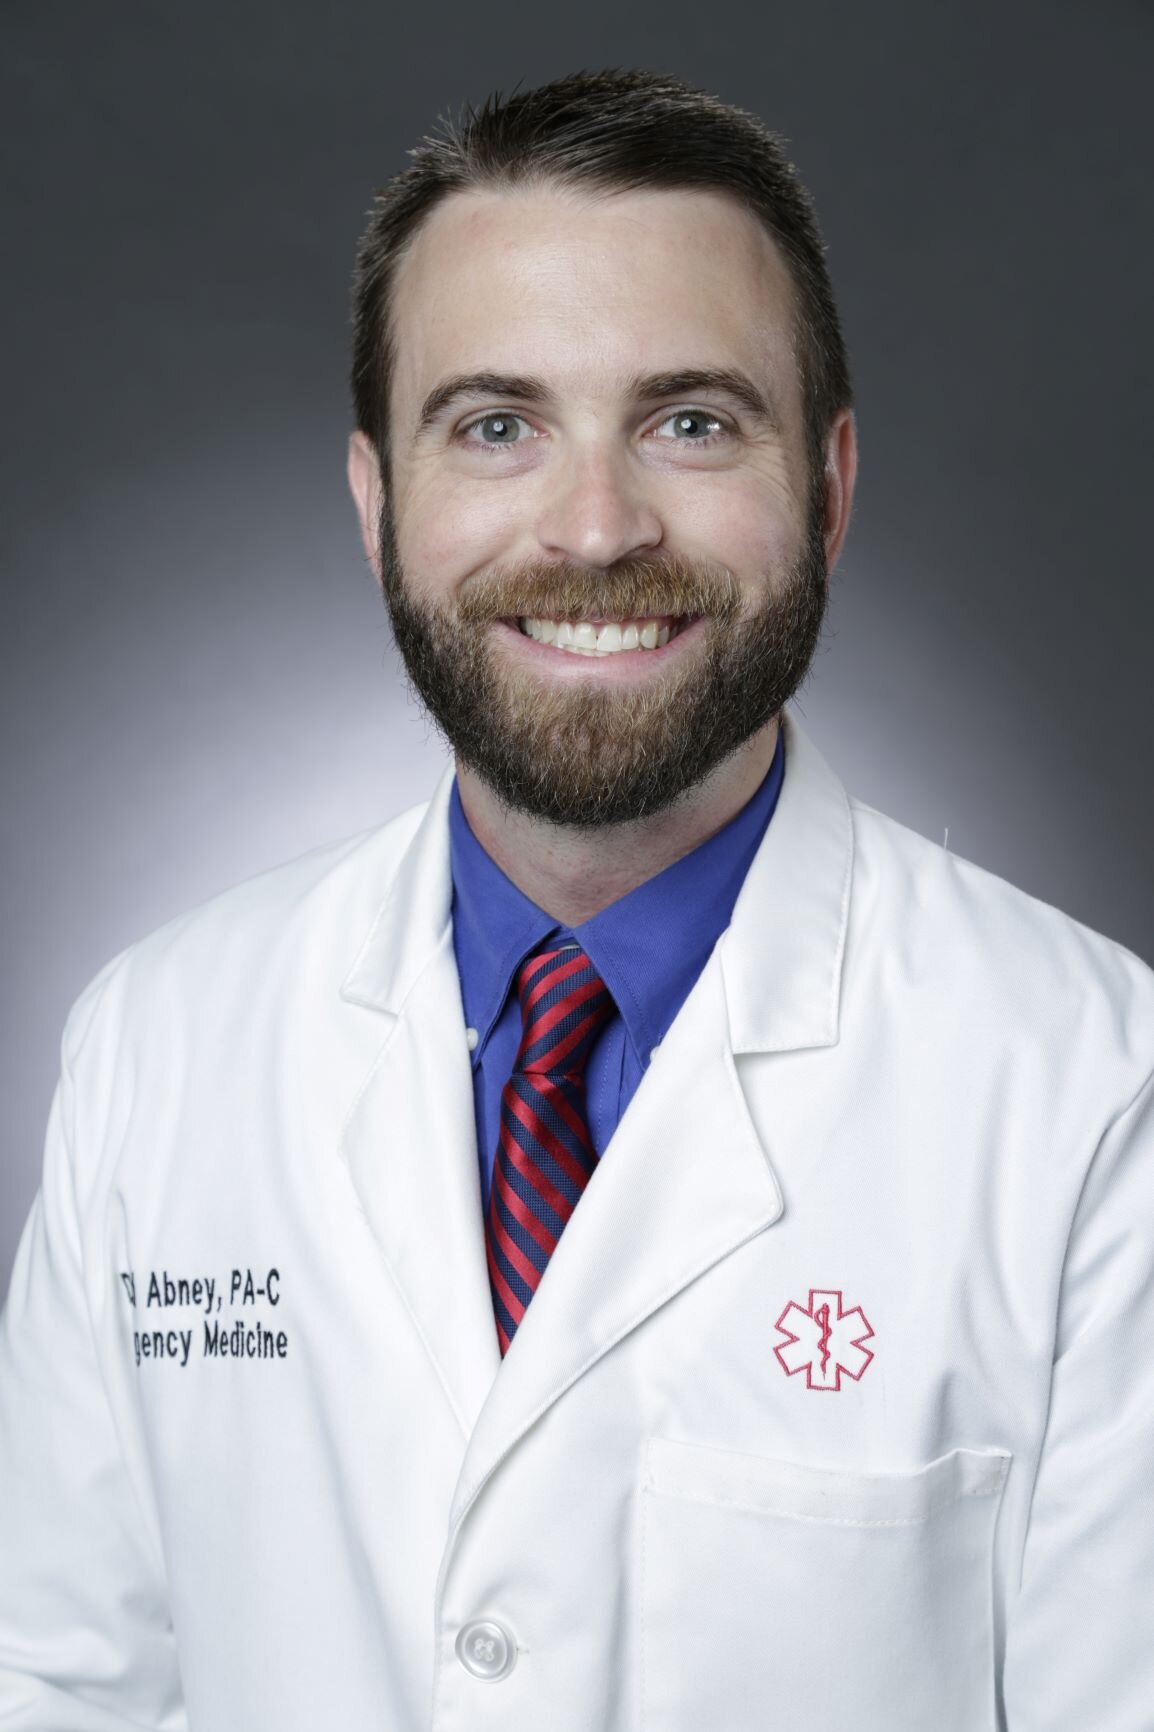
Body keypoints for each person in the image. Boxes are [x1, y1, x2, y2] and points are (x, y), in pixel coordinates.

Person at [0, 66, 1150, 1732]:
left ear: (828, 488)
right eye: (495, 426)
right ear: (376, 503)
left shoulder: (1094, 1095)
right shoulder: (159, 1044)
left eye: (690, 421)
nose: (596, 529)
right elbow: (55, 1682)